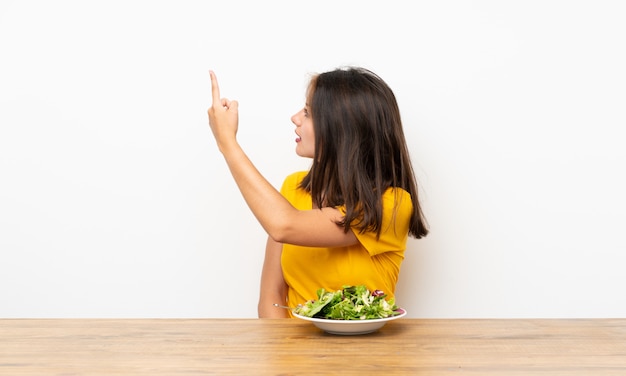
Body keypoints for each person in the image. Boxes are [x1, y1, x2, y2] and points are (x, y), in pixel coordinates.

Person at [207, 66, 428, 318]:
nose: (295, 118)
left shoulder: (392, 203)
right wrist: (287, 353)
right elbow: (272, 296)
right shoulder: (293, 188)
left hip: (368, 354)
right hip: (295, 353)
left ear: (342, 129)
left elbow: (284, 224)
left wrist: (227, 143)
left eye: (308, 113)